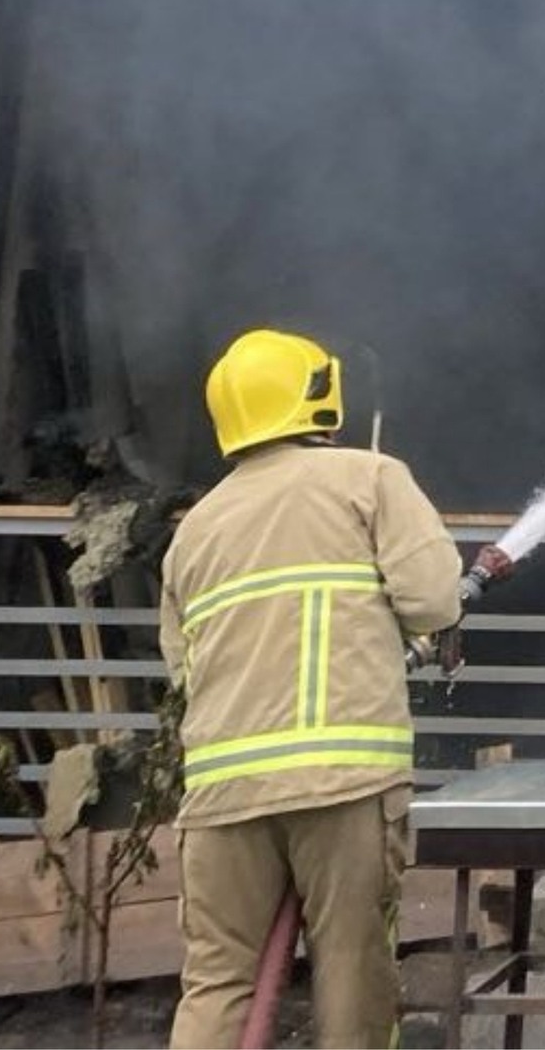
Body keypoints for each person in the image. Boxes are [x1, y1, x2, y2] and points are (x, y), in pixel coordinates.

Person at [160, 328, 461, 1049]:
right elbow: (432, 600)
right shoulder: (370, 479)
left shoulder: (193, 531)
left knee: (217, 984)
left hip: (222, 798)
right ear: (318, 395)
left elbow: (183, 670)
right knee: (352, 970)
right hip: (342, 785)